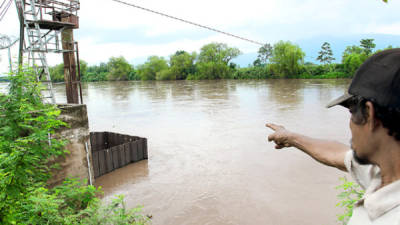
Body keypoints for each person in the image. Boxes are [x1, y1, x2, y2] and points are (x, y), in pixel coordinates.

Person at [266, 48, 400, 225]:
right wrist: (289, 137)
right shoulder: (384, 172)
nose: (350, 124)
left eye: (352, 113)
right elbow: (338, 154)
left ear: (369, 114)